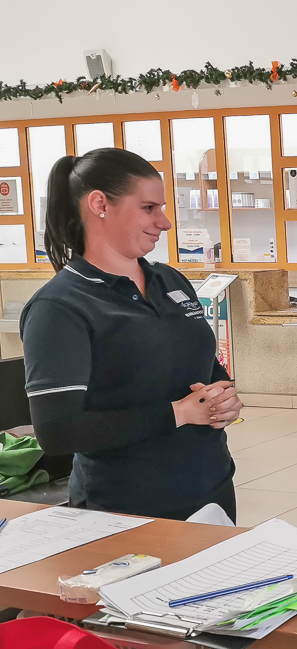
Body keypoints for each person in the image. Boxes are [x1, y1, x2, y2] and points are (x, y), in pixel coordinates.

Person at [19, 148, 242, 521]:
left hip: (212, 491)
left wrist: (224, 396)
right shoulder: (59, 306)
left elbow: (203, 367)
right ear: (99, 204)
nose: (165, 222)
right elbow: (58, 432)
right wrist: (177, 413)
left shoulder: (169, 280)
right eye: (149, 208)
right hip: (125, 506)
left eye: (163, 207)